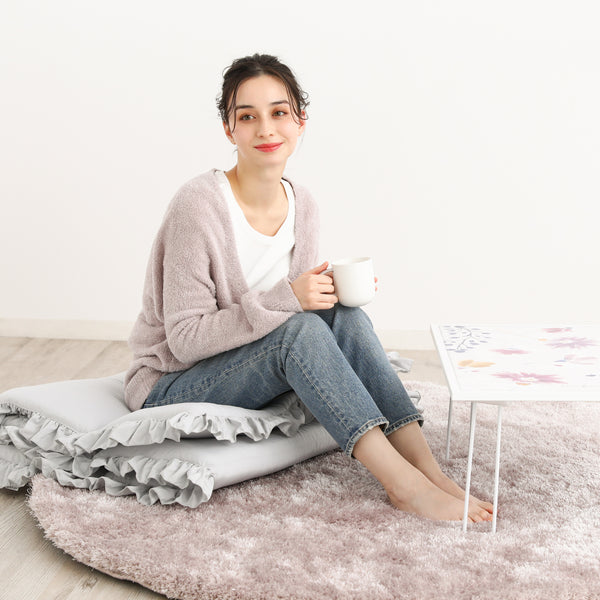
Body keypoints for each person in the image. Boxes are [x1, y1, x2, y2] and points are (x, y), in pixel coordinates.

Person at [124, 53, 493, 523]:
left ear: (300, 122)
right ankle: (404, 487)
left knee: (346, 317)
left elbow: (296, 310)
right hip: (172, 382)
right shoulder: (197, 207)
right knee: (300, 334)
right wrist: (291, 298)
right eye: (247, 117)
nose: (266, 129)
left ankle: (428, 471)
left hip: (247, 367)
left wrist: (327, 294)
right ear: (228, 129)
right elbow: (186, 340)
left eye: (279, 112)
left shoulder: (304, 205)